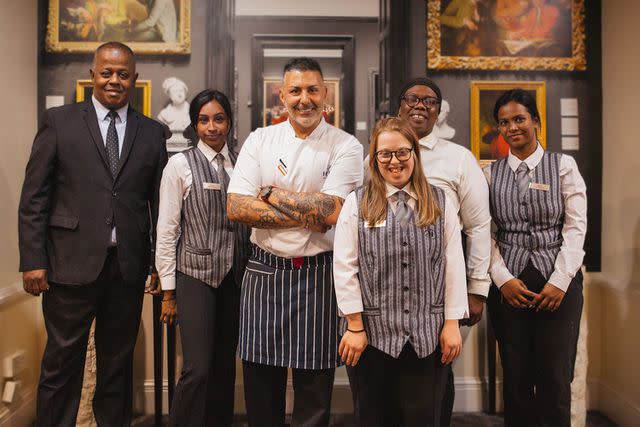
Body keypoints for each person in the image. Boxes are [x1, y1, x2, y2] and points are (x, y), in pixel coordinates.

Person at [18, 41, 168, 426]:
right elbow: (35, 197)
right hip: (68, 266)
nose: (114, 81)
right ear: (92, 75)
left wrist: (156, 263)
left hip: (127, 269)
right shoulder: (59, 122)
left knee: (117, 365)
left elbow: (159, 205)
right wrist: (33, 260)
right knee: (61, 363)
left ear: (134, 79)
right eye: (107, 72)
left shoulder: (153, 133)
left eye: (122, 74)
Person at [227, 57, 363, 427]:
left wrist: (270, 194)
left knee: (314, 394)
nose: (305, 99)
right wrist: (311, 212)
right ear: (282, 97)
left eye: (313, 90)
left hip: (319, 276)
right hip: (264, 271)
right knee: (261, 391)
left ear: (325, 95)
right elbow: (237, 208)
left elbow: (332, 212)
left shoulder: (346, 146)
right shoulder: (260, 139)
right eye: (296, 91)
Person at [334, 117, 468, 426]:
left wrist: (451, 325)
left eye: (402, 152)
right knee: (375, 418)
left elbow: (453, 265)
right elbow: (344, 267)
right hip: (371, 337)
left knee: (424, 418)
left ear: (415, 154)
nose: (394, 161)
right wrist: (355, 325)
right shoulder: (357, 203)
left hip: (428, 337)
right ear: (375, 158)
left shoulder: (440, 201)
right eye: (385, 154)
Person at [484, 89, 586, 427]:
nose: (512, 127)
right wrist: (503, 280)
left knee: (556, 377)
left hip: (559, 284)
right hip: (509, 287)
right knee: (515, 378)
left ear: (536, 122)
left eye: (519, 119)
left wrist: (559, 283)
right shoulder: (488, 173)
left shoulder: (564, 166)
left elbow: (575, 227)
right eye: (504, 122)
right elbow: (484, 232)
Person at [394, 77, 491, 425]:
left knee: (436, 371)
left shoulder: (459, 159)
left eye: (429, 101)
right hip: (388, 286)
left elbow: (479, 226)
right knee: (392, 371)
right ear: (399, 106)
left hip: (442, 285)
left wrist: (477, 289)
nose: (420, 106)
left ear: (439, 111)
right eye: (412, 98)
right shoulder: (377, 153)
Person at [155, 89, 251, 426]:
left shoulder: (244, 163)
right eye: (204, 120)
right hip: (195, 276)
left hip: (237, 279)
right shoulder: (179, 165)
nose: (212, 127)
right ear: (195, 124)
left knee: (225, 366)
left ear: (229, 120)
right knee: (198, 368)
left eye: (219, 118)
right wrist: (169, 291)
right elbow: (167, 231)